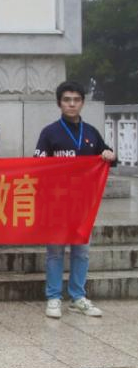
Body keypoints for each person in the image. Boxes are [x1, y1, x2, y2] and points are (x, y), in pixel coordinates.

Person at [36, 80, 116, 319]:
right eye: (67, 100)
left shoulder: (91, 132)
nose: (72, 104)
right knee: (55, 252)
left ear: (82, 103)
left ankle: (78, 297)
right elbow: (38, 165)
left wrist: (109, 154)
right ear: (59, 103)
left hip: (83, 204)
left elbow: (107, 155)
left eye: (76, 100)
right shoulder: (49, 133)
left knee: (81, 252)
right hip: (57, 203)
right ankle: (53, 297)